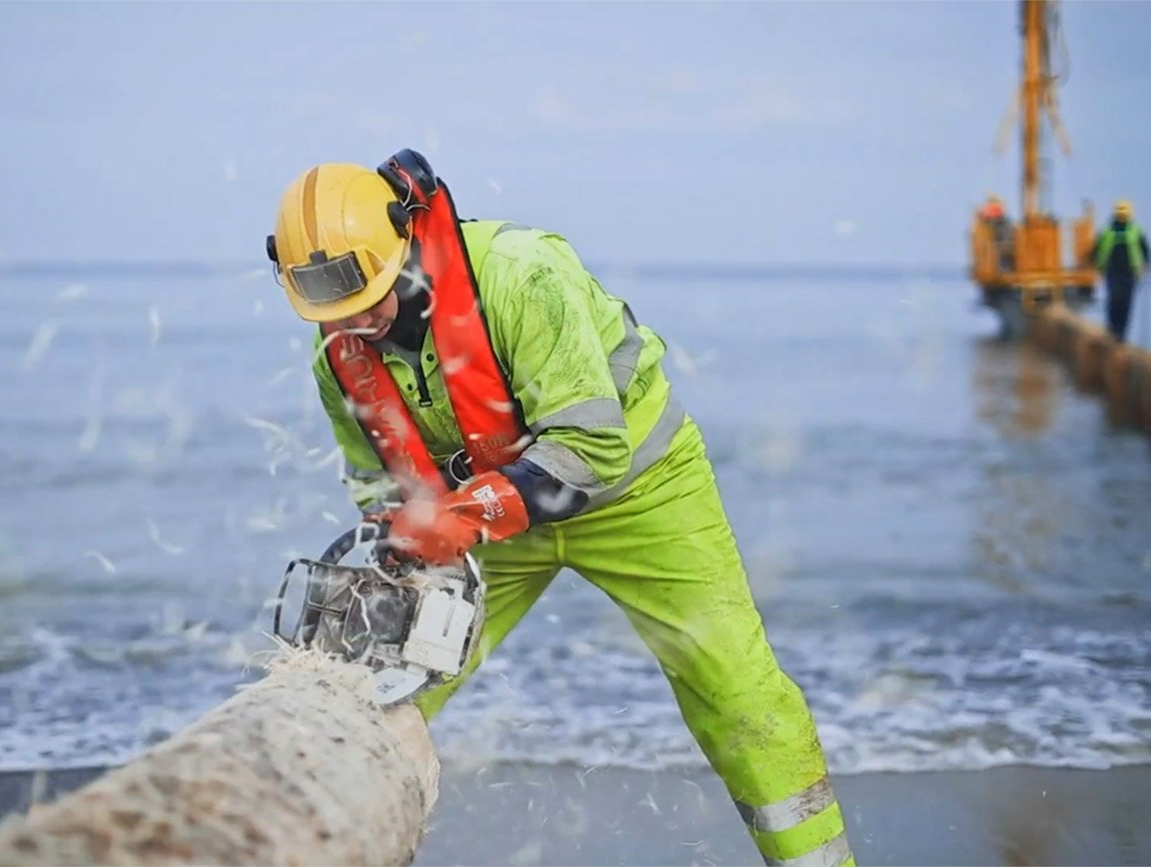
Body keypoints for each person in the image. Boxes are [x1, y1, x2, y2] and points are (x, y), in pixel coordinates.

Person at [266, 149, 853, 867]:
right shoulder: (337, 357)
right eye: (334, 310)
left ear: (402, 242)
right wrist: (400, 534)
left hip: (636, 491)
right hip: (482, 521)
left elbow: (590, 448)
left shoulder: (521, 275)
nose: (356, 321)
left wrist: (463, 517)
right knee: (378, 688)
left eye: (368, 299)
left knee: (736, 688)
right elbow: (377, 481)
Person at [1088, 199, 1148, 343]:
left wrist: (1144, 266)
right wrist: (1094, 263)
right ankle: (1113, 330)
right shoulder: (1107, 231)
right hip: (1112, 272)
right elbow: (1097, 249)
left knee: (1126, 303)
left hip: (1129, 273)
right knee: (1114, 301)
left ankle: (1121, 334)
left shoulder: (1136, 231)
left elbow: (1145, 250)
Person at [977, 194, 1015, 271]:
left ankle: (1005, 267)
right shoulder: (990, 211)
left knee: (1005, 249)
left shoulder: (1004, 221)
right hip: (999, 239)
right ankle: (1004, 267)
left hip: (1003, 241)